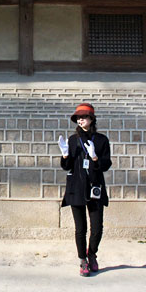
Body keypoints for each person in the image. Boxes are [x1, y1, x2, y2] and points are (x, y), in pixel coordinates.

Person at [58, 103, 112, 277]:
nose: (80, 120)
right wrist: (65, 155)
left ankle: (92, 255)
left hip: (95, 187)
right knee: (80, 228)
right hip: (76, 187)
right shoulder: (73, 140)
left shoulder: (102, 140)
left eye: (84, 117)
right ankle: (82, 260)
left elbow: (106, 165)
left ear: (91, 119)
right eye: (78, 118)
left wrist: (95, 157)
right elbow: (67, 167)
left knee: (97, 228)